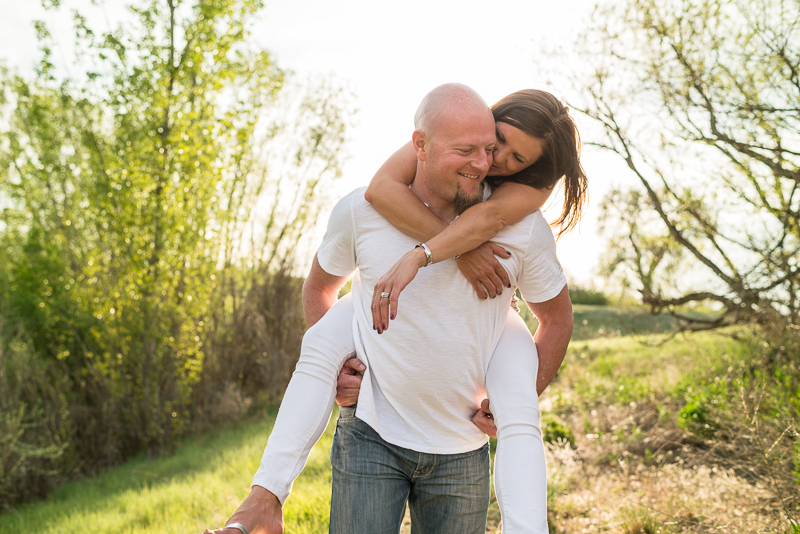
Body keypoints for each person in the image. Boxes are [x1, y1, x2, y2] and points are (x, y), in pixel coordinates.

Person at [205, 84, 585, 534]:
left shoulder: (522, 222)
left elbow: (554, 316)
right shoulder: (366, 207)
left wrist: (510, 400)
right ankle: (263, 499)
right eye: (485, 143)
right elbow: (323, 281)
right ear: (421, 144)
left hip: (460, 448)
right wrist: (347, 368)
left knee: (519, 400)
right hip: (370, 436)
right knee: (324, 340)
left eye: (510, 157)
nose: (490, 161)